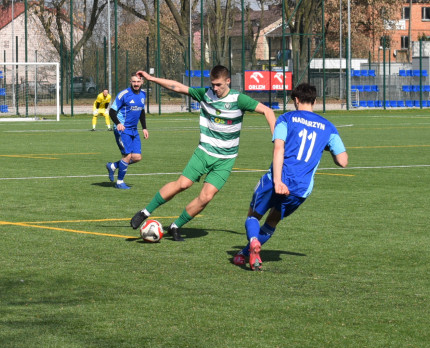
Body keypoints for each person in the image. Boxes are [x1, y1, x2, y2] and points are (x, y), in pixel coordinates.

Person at [130, 65, 275, 241]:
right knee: (183, 184)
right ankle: (145, 212)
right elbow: (177, 86)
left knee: (206, 197)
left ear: (228, 81)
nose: (215, 88)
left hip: (225, 159)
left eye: (219, 84)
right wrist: (152, 79)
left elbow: (268, 111)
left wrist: (276, 138)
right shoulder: (205, 94)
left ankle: (176, 226)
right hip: (204, 151)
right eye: (213, 84)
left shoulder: (239, 99)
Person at [233, 82, 347, 270]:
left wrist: (277, 181)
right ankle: (244, 254)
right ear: (315, 101)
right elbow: (343, 161)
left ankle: (252, 242)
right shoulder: (328, 128)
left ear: (295, 100)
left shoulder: (286, 118)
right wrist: (326, 147)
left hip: (276, 181)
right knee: (272, 221)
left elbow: (279, 149)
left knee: (253, 216)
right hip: (300, 189)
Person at [105, 74, 148, 190]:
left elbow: (141, 112)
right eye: (134, 81)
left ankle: (113, 166)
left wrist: (144, 128)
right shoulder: (124, 94)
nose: (136, 84)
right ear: (130, 81)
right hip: (122, 129)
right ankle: (119, 182)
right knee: (127, 155)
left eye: (138, 82)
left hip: (134, 130)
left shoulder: (143, 94)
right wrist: (118, 123)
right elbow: (112, 111)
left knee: (137, 157)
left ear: (142, 82)